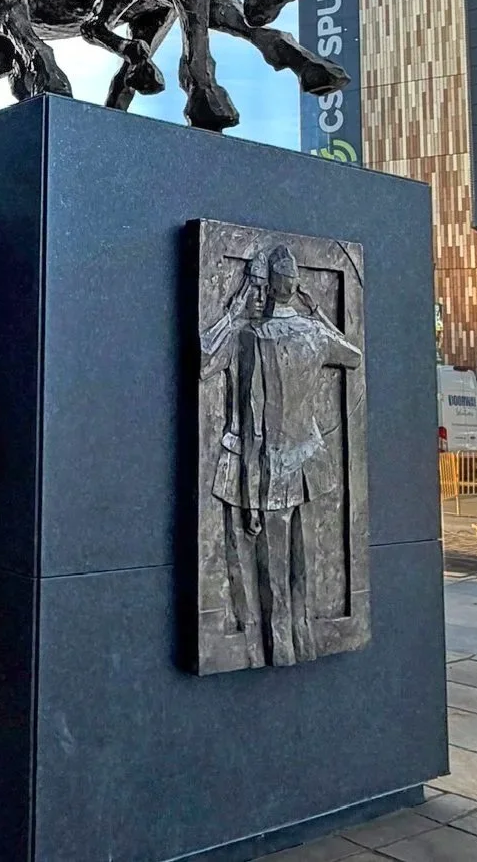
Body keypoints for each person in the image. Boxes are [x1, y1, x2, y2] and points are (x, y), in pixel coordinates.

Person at [249, 244, 362, 665]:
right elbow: (352, 355)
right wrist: (317, 313)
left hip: (275, 460)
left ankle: (280, 645)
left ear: (271, 287)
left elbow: (252, 416)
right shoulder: (314, 333)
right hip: (312, 456)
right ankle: (304, 636)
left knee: (276, 563)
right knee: (307, 558)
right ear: (294, 287)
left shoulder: (257, 337)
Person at [200, 250, 271, 668]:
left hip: (275, 463)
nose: (259, 297)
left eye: (265, 289)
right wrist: (229, 315)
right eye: (252, 288)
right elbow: (206, 363)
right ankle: (245, 634)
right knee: (237, 558)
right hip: (236, 455)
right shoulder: (237, 332)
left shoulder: (281, 334)